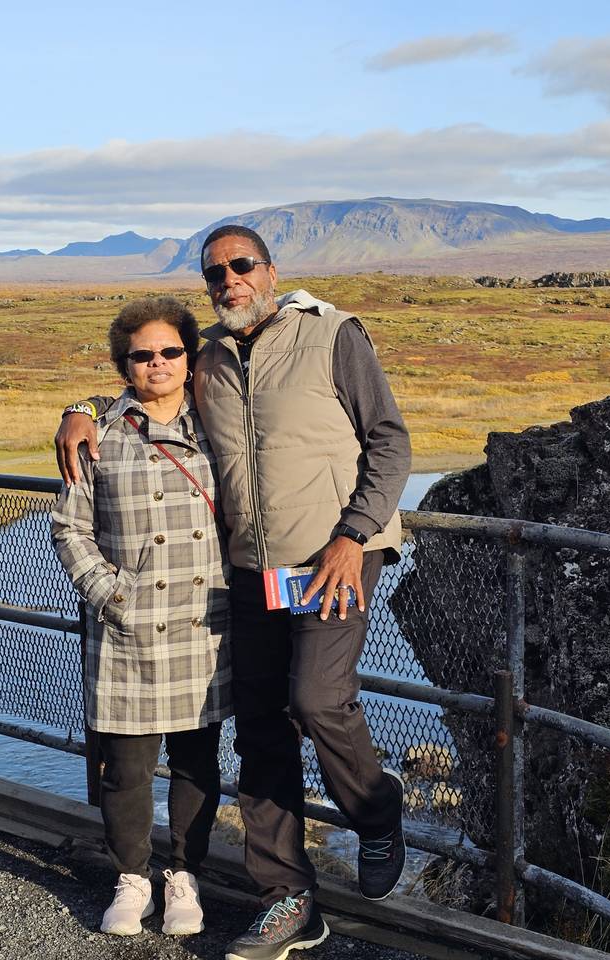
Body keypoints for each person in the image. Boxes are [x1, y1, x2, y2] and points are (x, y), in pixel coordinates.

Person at [55, 226, 411, 960]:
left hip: (335, 556)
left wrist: (355, 534)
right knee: (259, 731)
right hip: (250, 571)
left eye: (242, 265)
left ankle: (377, 812)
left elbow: (390, 440)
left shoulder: (332, 334)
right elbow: (144, 386)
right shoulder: (210, 354)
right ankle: (288, 900)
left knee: (316, 698)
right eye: (215, 272)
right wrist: (80, 407)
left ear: (271, 271)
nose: (229, 280)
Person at [51, 296, 231, 940]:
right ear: (124, 365)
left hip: (204, 621)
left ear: (190, 357)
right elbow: (70, 527)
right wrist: (112, 595)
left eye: (170, 351)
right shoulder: (97, 431)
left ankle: (184, 876)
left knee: (195, 762)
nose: (158, 363)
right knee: (126, 768)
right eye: (142, 354)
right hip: (127, 626)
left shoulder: (220, 422)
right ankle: (132, 878)